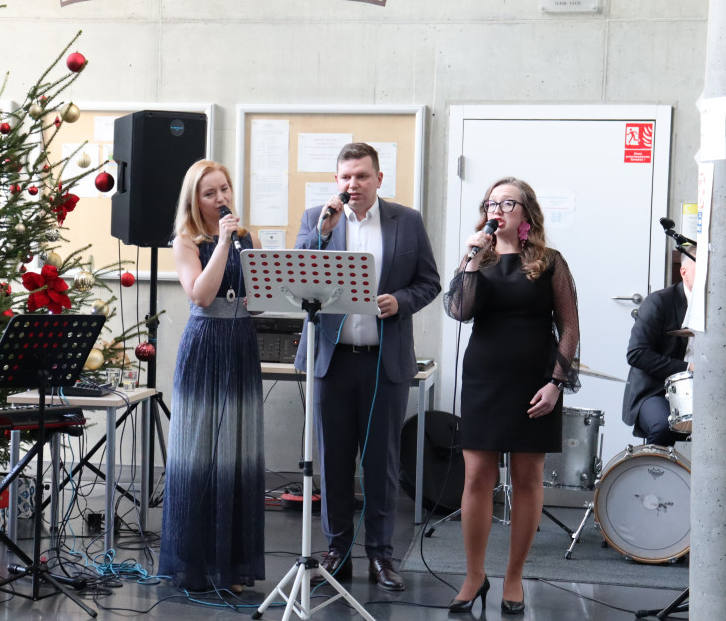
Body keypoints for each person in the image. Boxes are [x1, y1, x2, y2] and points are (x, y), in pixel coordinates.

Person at [294, 142, 441, 591]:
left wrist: (401, 301)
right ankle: (337, 552)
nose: (352, 184)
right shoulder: (318, 218)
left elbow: (429, 282)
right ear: (336, 181)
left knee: (382, 464)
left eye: (361, 176)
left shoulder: (406, 221)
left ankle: (381, 554)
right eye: (345, 177)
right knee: (333, 462)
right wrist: (321, 232)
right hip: (332, 360)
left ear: (379, 178)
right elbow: (296, 274)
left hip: (384, 363)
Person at [444, 177, 580, 614]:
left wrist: (556, 383)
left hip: (534, 382)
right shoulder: (476, 259)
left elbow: (569, 328)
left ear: (526, 213)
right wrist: (469, 261)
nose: (497, 210)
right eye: (491, 203)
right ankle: (474, 575)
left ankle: (514, 577)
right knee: (476, 478)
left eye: (507, 203)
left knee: (526, 479)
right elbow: (459, 311)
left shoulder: (549, 262)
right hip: (484, 380)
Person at [158, 159, 265, 592]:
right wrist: (222, 243)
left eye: (225, 189)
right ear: (195, 200)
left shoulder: (248, 238)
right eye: (210, 193)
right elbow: (201, 295)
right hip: (205, 344)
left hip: (241, 342)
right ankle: (196, 565)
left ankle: (232, 566)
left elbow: (260, 300)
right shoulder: (186, 241)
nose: (221, 198)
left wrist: (263, 290)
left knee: (237, 452)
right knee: (199, 452)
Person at [621, 251, 695, 446]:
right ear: (684, 272)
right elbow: (637, 354)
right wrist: (688, 368)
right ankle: (651, 465)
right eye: (702, 270)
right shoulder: (659, 302)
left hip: (703, 389)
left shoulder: (718, 306)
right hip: (655, 389)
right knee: (663, 426)